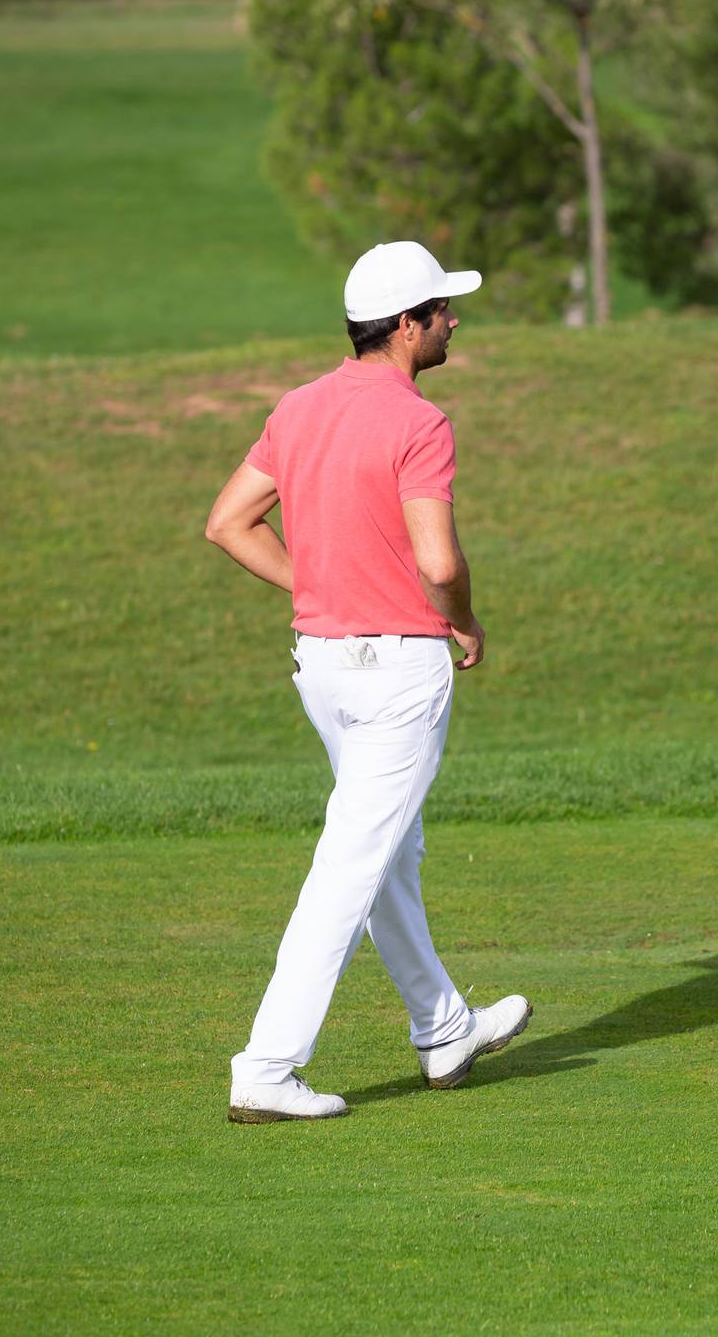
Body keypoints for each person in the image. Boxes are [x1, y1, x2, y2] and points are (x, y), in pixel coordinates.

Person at [206, 240, 530, 1124]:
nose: (453, 320)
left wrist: (313, 584)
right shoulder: (420, 423)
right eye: (442, 310)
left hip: (322, 668)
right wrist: (465, 619)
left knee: (387, 850)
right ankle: (267, 1066)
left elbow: (230, 522)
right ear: (407, 326)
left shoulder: (298, 407)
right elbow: (439, 560)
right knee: (353, 862)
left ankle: (443, 1028)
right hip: (398, 674)